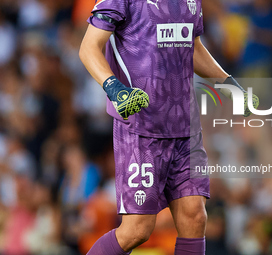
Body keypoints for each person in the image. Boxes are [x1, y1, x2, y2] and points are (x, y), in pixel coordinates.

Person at [79, 0, 257, 254]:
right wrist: (114, 89)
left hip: (185, 126)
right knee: (137, 230)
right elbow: (89, 47)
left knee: (195, 217)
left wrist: (228, 84)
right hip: (142, 127)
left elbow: (191, 46)